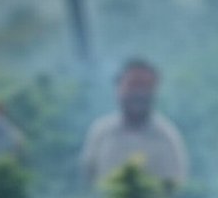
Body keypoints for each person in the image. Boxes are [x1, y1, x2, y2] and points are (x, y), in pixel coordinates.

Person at [81, 59, 188, 187]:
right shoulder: (101, 132)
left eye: (145, 86)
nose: (139, 93)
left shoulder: (167, 137)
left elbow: (174, 187)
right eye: (133, 85)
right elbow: (88, 179)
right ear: (118, 87)